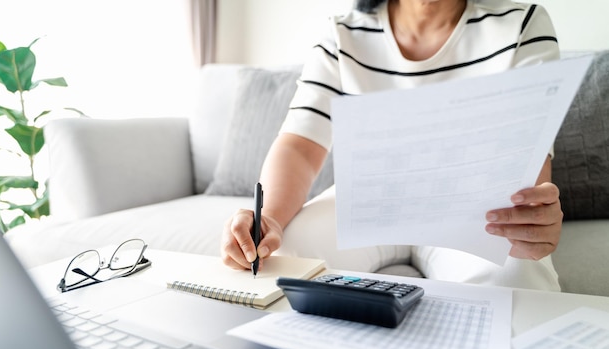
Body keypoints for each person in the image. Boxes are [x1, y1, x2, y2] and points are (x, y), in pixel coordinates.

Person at [221, 0, 563, 291]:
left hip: (473, 211)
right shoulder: (342, 35)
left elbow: (528, 154)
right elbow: (299, 144)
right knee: (283, 257)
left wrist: (531, 220)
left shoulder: (522, 23)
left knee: (516, 270)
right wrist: (270, 219)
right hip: (366, 201)